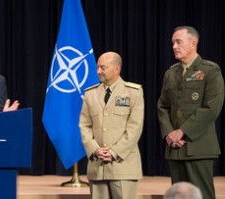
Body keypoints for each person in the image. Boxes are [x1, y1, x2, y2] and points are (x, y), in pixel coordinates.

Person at [157, 26, 224, 199]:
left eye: (178, 42)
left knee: (202, 195)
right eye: (173, 43)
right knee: (178, 195)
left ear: (193, 43)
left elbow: (211, 108)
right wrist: (169, 134)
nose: (174, 46)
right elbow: (162, 106)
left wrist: (182, 131)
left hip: (198, 146)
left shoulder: (210, 70)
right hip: (175, 147)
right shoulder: (170, 73)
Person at [79, 52, 144, 199]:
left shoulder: (133, 92)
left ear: (117, 69)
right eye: (97, 67)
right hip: (97, 166)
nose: (98, 71)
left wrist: (114, 152)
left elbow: (135, 127)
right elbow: (84, 125)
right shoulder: (90, 94)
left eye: (103, 67)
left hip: (123, 166)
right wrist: (94, 149)